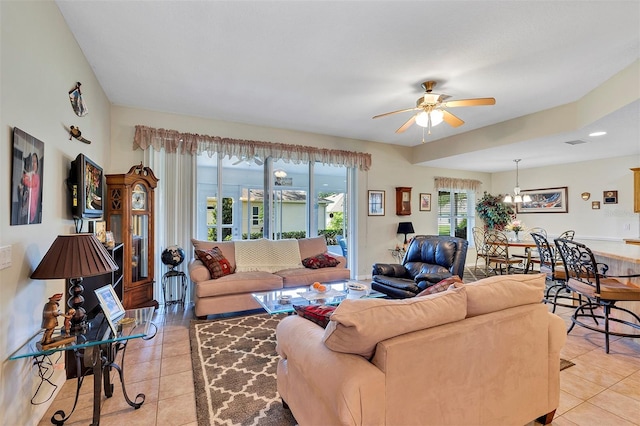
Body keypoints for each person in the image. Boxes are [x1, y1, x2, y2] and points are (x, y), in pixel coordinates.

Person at [21, 152, 41, 223]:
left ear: (37, 164)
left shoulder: (36, 177)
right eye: (31, 161)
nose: (33, 163)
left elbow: (28, 183)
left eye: (34, 161)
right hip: (26, 206)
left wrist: (25, 178)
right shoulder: (30, 174)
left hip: (31, 209)